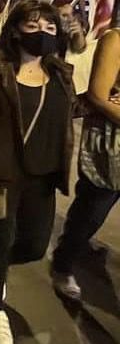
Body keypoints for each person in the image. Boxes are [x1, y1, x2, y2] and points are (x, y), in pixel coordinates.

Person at [0, 0, 76, 343]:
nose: (42, 33)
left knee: (34, 246)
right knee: (0, 240)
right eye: (33, 26)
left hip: (42, 176)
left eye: (49, 27)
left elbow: (69, 115)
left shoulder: (61, 73)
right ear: (15, 30)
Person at [51, 28, 120, 302]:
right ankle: (63, 263)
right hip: (111, 146)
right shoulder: (115, 39)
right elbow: (98, 96)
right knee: (92, 210)